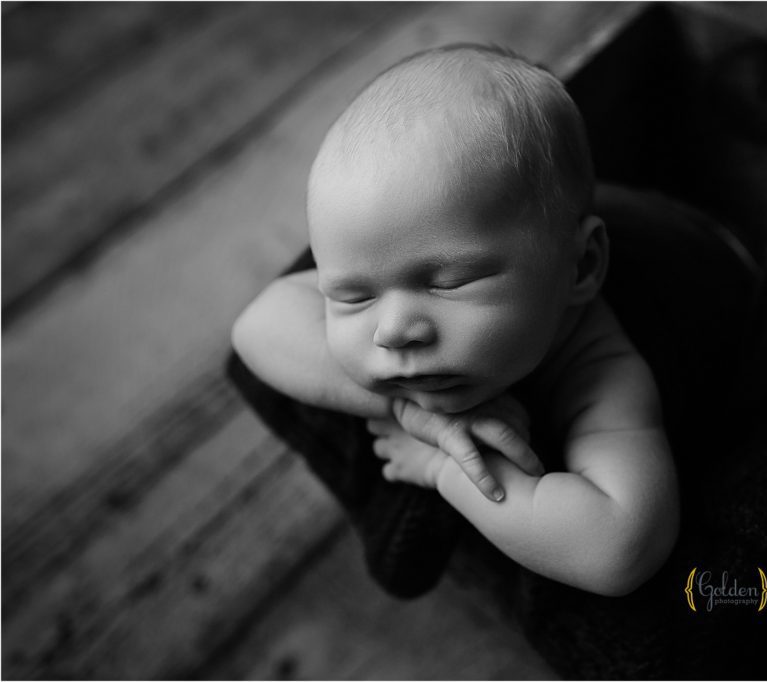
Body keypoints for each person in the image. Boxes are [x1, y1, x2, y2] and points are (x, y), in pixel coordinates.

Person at [232, 44, 679, 597]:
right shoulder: (421, 267)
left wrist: (446, 469)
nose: (392, 331)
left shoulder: (601, 366)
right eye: (352, 297)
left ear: (581, 267)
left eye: (448, 283)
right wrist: (418, 415)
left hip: (691, 254)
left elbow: (621, 547)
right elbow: (255, 326)